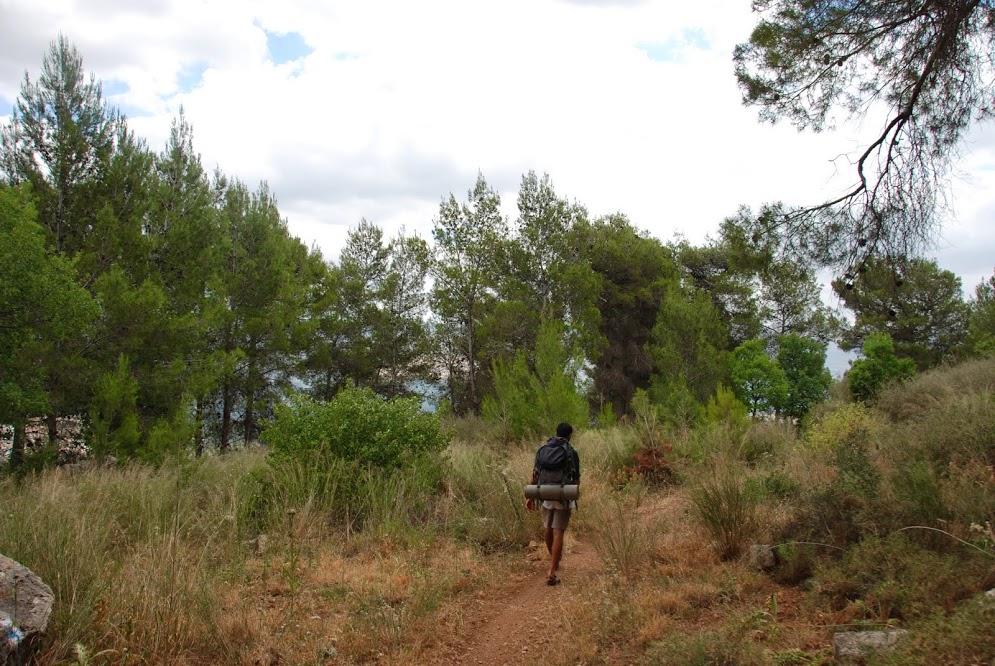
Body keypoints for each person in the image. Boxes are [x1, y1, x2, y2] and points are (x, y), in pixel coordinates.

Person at [526, 422, 580, 586]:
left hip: (545, 494)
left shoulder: (543, 450)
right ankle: (552, 571)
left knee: (547, 529)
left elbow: (535, 474)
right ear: (569, 435)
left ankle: (554, 561)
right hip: (563, 495)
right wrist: (574, 494)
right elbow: (576, 477)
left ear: (556, 432)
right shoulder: (571, 452)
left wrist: (531, 496)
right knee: (558, 533)